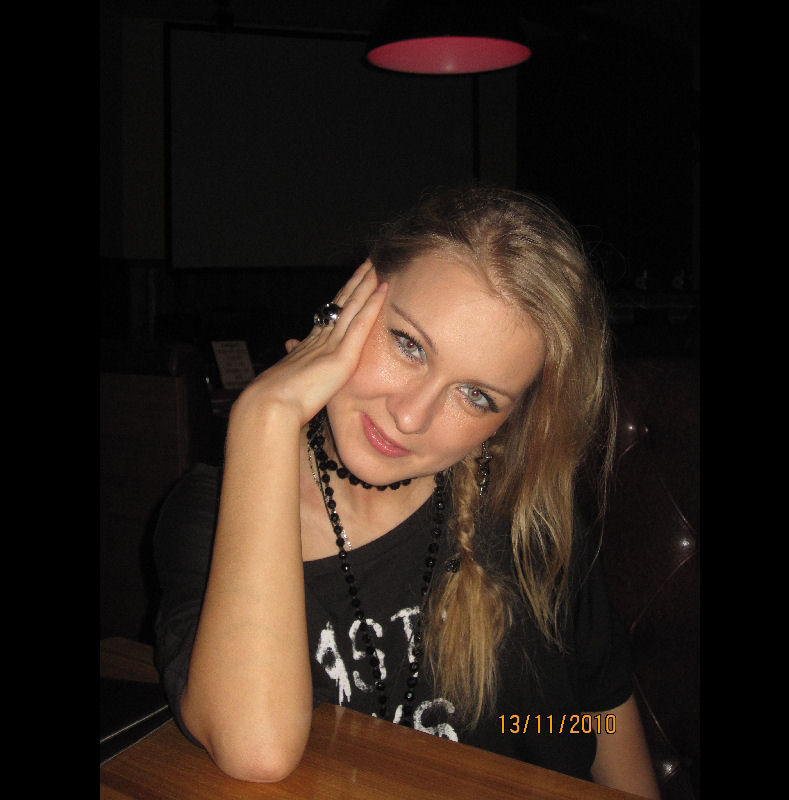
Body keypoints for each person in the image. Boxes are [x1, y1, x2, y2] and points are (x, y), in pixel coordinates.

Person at [153, 186, 661, 798]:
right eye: (409, 344)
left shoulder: (531, 522)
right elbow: (255, 748)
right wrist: (265, 413)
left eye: (477, 396)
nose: (411, 416)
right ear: (352, 302)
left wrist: (544, 732)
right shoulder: (212, 516)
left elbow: (599, 719)